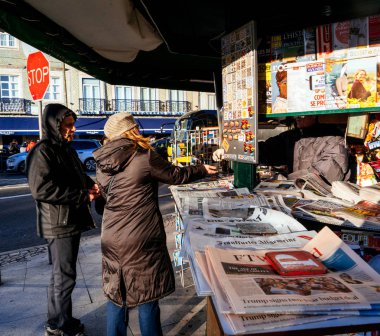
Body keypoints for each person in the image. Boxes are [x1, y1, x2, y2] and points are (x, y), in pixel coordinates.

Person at [93, 112, 217, 336]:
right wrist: (202, 169)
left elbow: (106, 197)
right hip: (140, 235)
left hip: (111, 234)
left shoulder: (102, 162)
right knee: (146, 295)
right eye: (136, 127)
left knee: (116, 293)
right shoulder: (143, 156)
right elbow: (175, 175)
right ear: (131, 131)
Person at [26, 103, 100, 336]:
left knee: (62, 275)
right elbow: (41, 189)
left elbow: (77, 174)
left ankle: (57, 320)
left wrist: (90, 184)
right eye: (68, 125)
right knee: (64, 277)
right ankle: (61, 325)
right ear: (55, 125)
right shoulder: (42, 151)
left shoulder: (64, 148)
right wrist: (81, 195)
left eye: (73, 124)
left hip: (68, 220)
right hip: (58, 223)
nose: (73, 128)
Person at [213, 115, 350, 183]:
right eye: (296, 114)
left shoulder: (335, 139)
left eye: (303, 114)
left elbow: (323, 175)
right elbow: (267, 150)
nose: (297, 117)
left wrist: (285, 180)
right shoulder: (293, 136)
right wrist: (231, 151)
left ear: (316, 115)